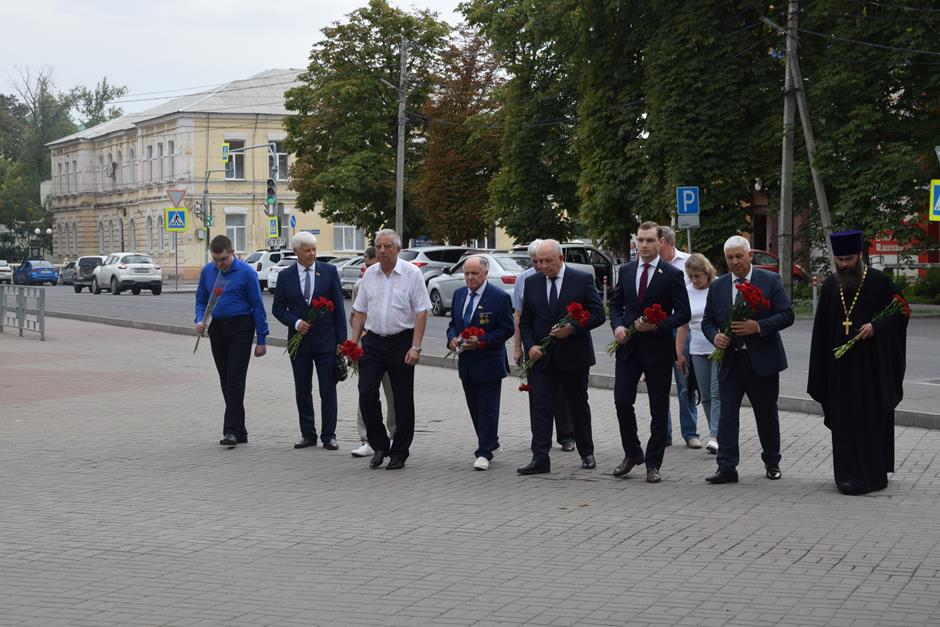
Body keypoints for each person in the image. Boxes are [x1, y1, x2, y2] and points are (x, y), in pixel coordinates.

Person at [808, 230, 908, 495]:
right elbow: (821, 332)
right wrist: (821, 372)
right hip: (839, 371)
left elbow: (900, 314)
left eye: (848, 259)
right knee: (843, 424)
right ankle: (845, 476)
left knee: (868, 421)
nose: (844, 265)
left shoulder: (880, 282)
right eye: (839, 260)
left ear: (859, 256)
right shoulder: (831, 286)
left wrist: (877, 327)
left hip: (871, 370)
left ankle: (873, 475)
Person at [702, 235, 794, 484]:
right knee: (727, 416)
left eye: (739, 256)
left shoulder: (770, 280)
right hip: (730, 361)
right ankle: (726, 467)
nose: (735, 262)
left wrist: (758, 326)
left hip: (762, 361)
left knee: (766, 414)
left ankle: (772, 462)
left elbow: (787, 315)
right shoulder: (718, 286)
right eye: (730, 258)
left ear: (750, 255)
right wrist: (715, 336)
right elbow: (707, 321)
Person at [608, 222, 691, 483]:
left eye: (649, 241)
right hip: (629, 348)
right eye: (640, 240)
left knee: (659, 407)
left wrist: (657, 325)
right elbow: (616, 305)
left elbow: (683, 313)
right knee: (622, 401)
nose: (643, 245)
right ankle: (633, 452)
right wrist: (618, 326)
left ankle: (653, 463)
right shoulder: (626, 270)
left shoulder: (671, 274)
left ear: (660, 242)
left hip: (657, 349)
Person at [518, 239, 605, 474]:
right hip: (542, 358)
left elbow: (598, 314)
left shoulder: (581, 280)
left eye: (548, 261)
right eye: (539, 261)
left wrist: (573, 328)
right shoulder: (532, 282)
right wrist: (530, 346)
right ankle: (540, 458)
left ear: (561, 259)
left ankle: (586, 452)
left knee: (577, 405)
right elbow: (525, 321)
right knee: (541, 406)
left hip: (573, 357)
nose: (543, 266)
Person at [350, 229, 431, 470]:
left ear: (398, 249)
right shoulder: (370, 275)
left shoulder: (412, 273)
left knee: (401, 399)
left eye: (387, 247)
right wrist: (353, 343)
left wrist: (415, 347)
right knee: (366, 393)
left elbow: (421, 311)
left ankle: (399, 451)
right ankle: (379, 445)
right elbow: (360, 311)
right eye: (378, 247)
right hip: (373, 341)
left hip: (401, 341)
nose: (382, 251)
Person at [272, 232, 347, 450]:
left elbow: (339, 309)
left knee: (328, 390)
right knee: (303, 389)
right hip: (300, 343)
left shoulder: (329, 272)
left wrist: (341, 341)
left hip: (326, 342)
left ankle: (329, 435)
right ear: (296, 252)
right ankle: (308, 434)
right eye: (307, 250)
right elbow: (278, 308)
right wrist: (295, 323)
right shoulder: (285, 276)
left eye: (314, 249)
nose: (312, 254)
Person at [194, 234, 268, 447]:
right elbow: (201, 300)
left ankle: (231, 431)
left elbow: (257, 305)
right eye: (215, 260)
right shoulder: (208, 271)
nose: (220, 264)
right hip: (218, 327)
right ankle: (240, 430)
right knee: (225, 378)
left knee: (235, 378)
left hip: (241, 326)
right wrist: (199, 320)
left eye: (223, 259)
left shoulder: (246, 273)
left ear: (232, 253)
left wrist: (261, 338)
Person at [446, 255, 515, 470]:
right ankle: (491, 443)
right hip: (467, 363)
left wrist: (482, 341)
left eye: (474, 273)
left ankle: (484, 452)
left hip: (489, 363)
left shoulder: (499, 297)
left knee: (487, 409)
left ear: (485, 273)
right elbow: (453, 324)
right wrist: (452, 339)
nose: (470, 277)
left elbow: (507, 329)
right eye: (466, 273)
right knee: (475, 408)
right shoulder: (459, 295)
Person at [512, 239, 577, 452]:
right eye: (535, 261)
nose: (539, 266)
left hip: (562, 347)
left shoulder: (566, 277)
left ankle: (566, 435)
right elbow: (520, 315)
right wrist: (519, 347)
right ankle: (540, 440)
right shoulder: (525, 280)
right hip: (535, 348)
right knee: (537, 396)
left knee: (562, 394)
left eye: (543, 261)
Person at [349, 247, 396, 458]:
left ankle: (394, 434)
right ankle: (367, 438)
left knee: (394, 394)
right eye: (366, 266)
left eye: (372, 265)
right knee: (366, 392)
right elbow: (355, 316)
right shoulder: (361, 284)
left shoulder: (398, 279)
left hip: (393, 345)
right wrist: (356, 342)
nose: (369, 269)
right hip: (369, 346)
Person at [659, 226, 700, 448]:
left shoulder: (687, 262)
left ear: (666, 242)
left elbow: (700, 287)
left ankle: (690, 432)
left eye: (656, 242)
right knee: (659, 383)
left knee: (685, 382)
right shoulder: (650, 266)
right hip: (658, 329)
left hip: (682, 328)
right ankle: (663, 433)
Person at [676, 254, 721, 454]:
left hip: (719, 348)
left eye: (698, 276)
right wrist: (679, 352)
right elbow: (683, 325)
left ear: (707, 272)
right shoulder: (687, 292)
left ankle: (715, 436)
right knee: (705, 395)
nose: (694, 280)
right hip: (697, 349)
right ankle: (717, 433)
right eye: (691, 276)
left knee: (717, 392)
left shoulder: (718, 287)